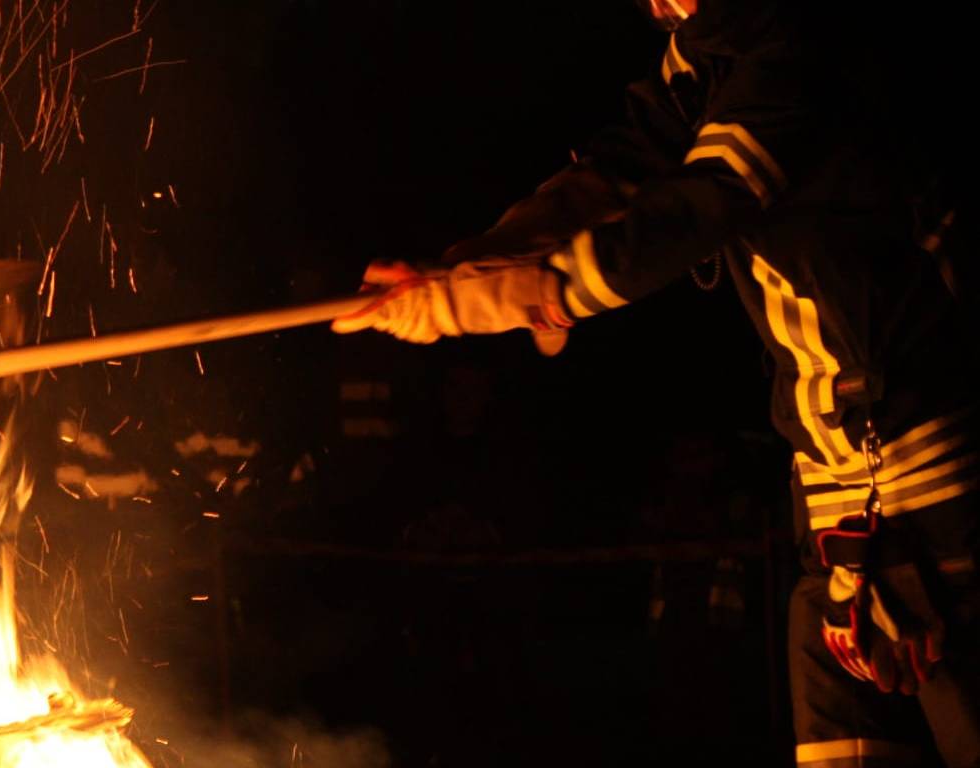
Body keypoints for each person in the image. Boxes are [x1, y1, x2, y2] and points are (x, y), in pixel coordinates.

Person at [332, 0, 980, 763]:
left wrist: (477, 302)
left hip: (933, 485)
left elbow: (693, 209)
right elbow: (613, 177)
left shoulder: (804, 42)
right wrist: (460, 267)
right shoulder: (705, 59)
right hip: (830, 494)